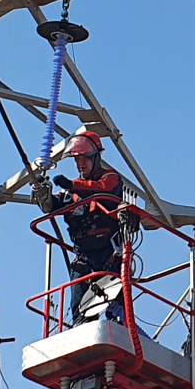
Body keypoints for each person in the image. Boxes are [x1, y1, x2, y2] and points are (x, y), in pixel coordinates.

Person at [42, 131, 124, 324]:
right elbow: (54, 205)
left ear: (95, 157)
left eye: (84, 159)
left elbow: (103, 188)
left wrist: (72, 184)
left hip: (109, 254)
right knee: (80, 312)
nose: (80, 164)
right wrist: (42, 193)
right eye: (77, 160)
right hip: (84, 258)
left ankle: (121, 329)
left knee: (117, 311)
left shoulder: (110, 178)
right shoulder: (72, 193)